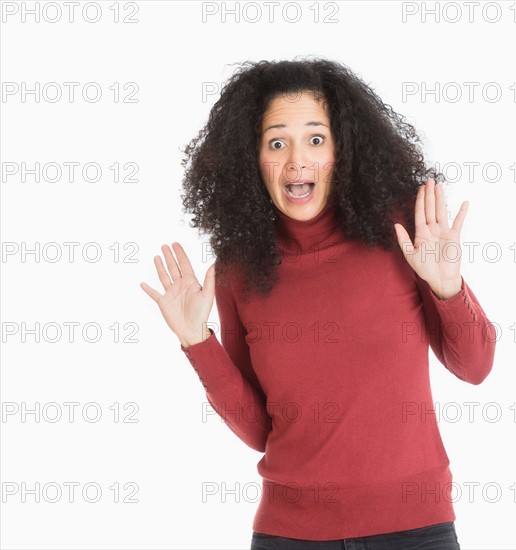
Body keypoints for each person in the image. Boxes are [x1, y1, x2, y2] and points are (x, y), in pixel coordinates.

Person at [140, 58, 496, 550]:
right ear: (253, 158)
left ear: (342, 149)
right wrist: (196, 342)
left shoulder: (402, 233)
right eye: (277, 142)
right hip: (291, 534)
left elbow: (475, 367)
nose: (296, 161)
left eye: (315, 138)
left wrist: (448, 289)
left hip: (416, 529)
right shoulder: (241, 267)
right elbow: (261, 430)